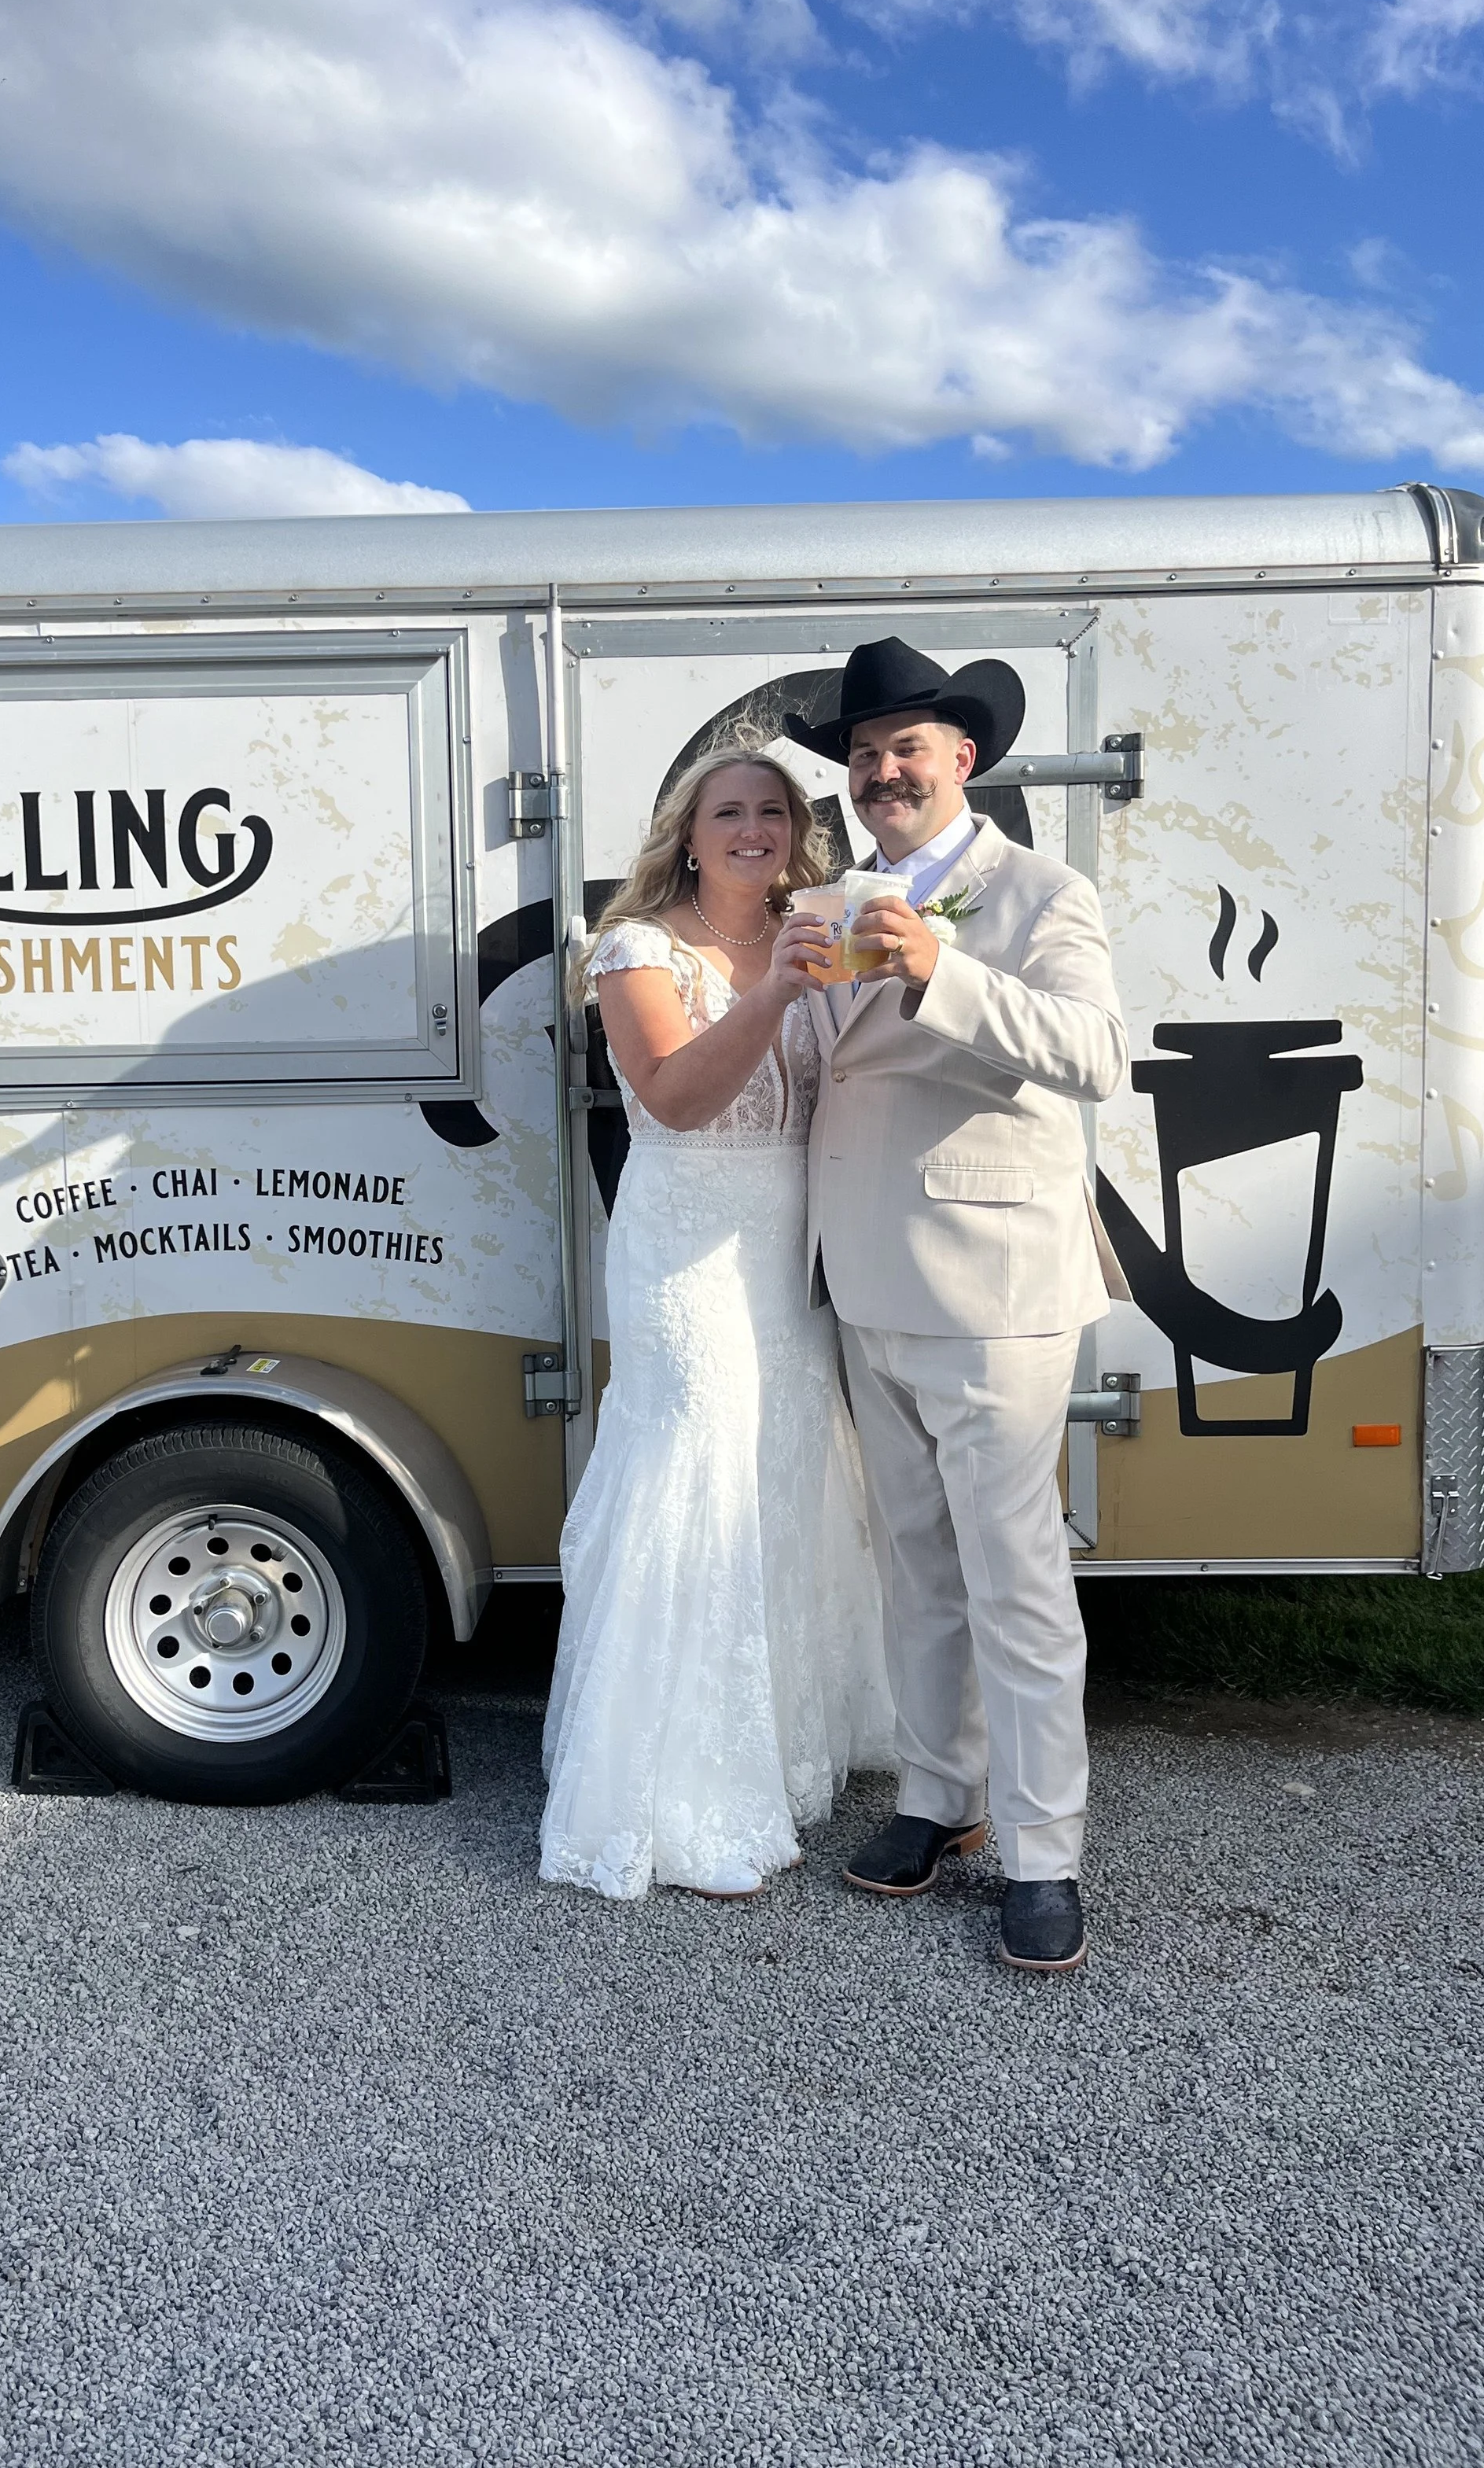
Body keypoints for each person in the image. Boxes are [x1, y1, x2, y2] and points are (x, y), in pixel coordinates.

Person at [786, 639, 1129, 1975]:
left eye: (906, 749)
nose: (883, 772)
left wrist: (942, 969)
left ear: (963, 759)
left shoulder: (1039, 892)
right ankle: (940, 1798)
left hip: (993, 1292)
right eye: (865, 756)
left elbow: (1095, 1056)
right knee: (916, 1566)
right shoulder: (837, 898)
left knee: (1017, 1579)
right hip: (865, 1281)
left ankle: (1048, 1848)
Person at [539, 746, 896, 1900]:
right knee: (697, 1462)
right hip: (686, 1253)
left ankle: (784, 1750)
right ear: (685, 837)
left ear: (798, 830)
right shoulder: (639, 949)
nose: (753, 830)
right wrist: (780, 991)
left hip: (791, 1252)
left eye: (773, 812)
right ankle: (671, 1789)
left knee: (787, 1464)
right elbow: (679, 1098)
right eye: (727, 813)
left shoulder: (823, 923)